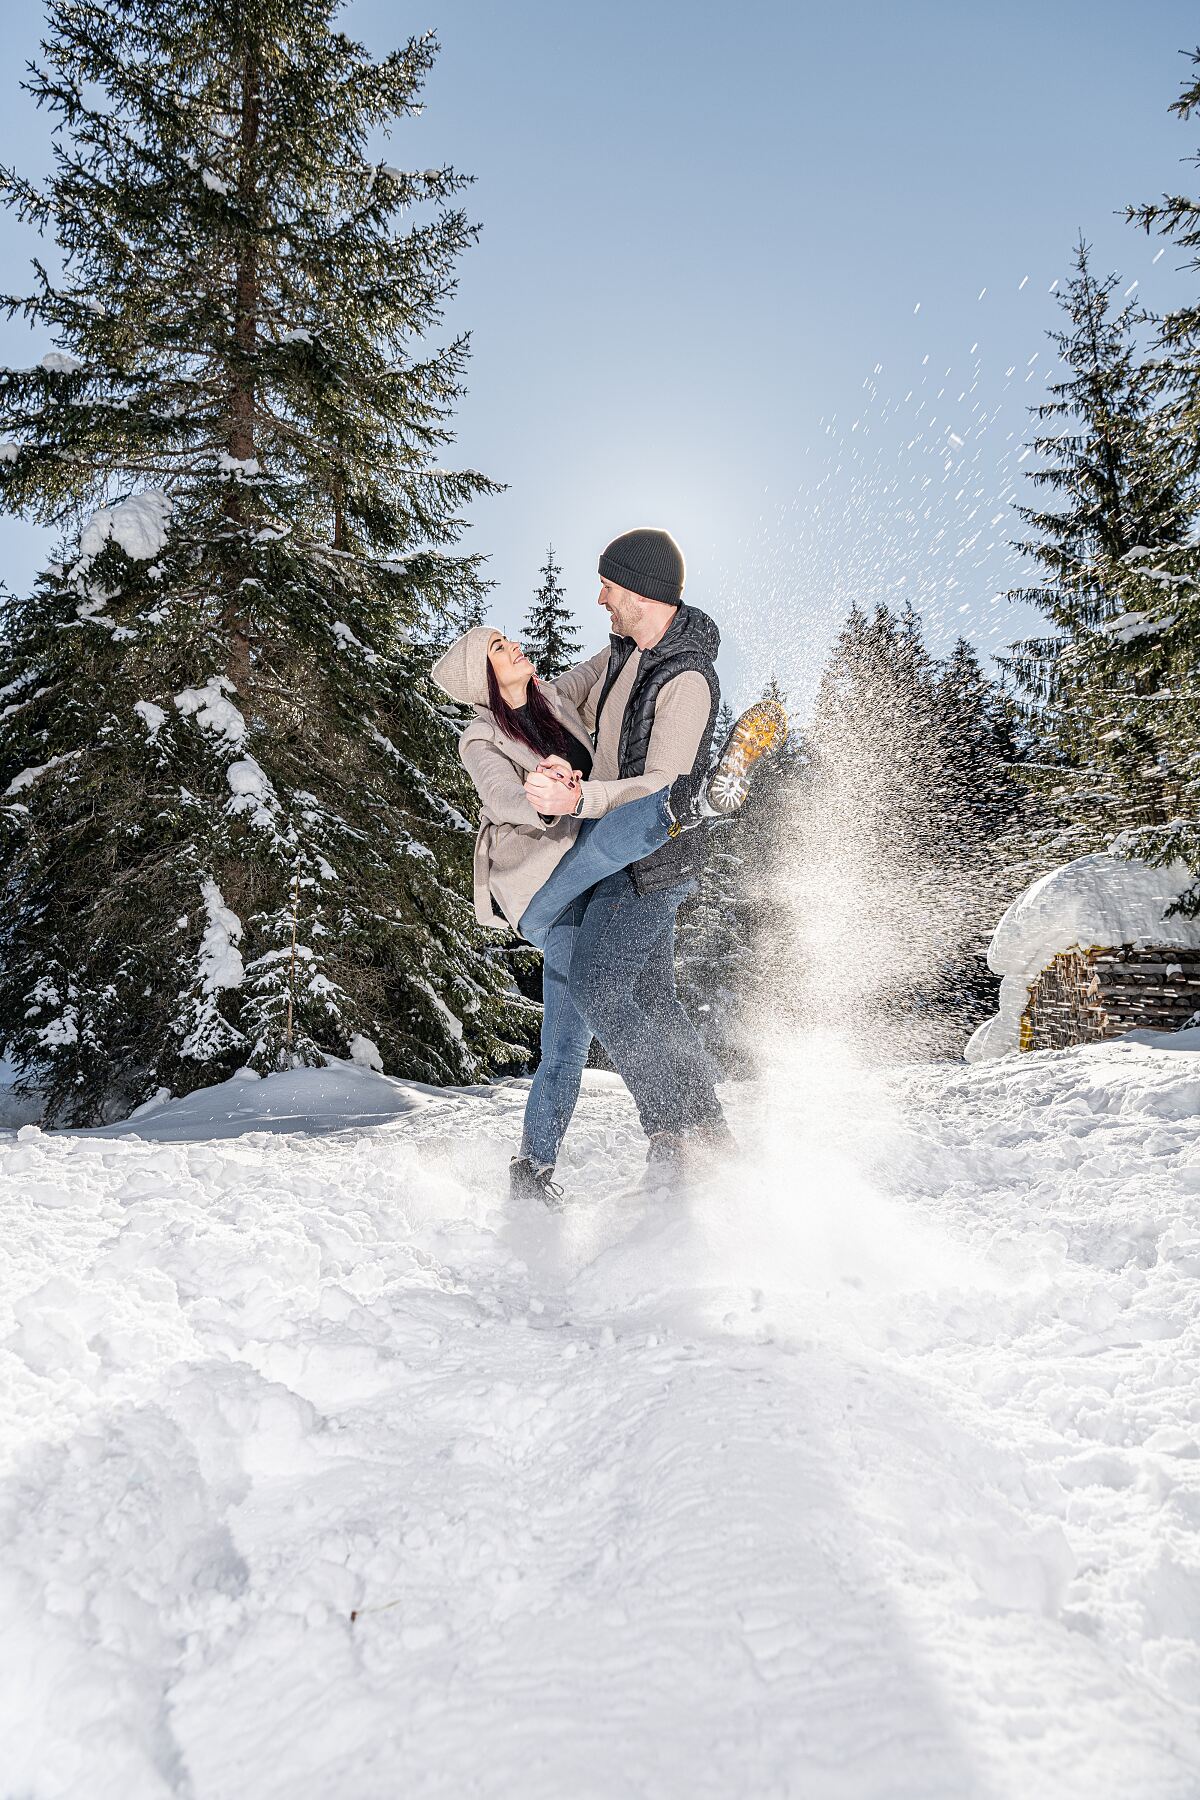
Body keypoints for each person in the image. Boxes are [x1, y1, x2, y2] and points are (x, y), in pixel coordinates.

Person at [431, 527, 787, 1204]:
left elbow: (643, 735)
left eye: (610, 588)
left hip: (625, 864)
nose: (600, 599)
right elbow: (509, 781)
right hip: (562, 880)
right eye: (501, 648)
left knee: (591, 1013)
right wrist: (547, 789)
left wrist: (577, 790)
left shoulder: (629, 686)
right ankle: (689, 1130)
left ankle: (632, 1147)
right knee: (634, 984)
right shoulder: (503, 722)